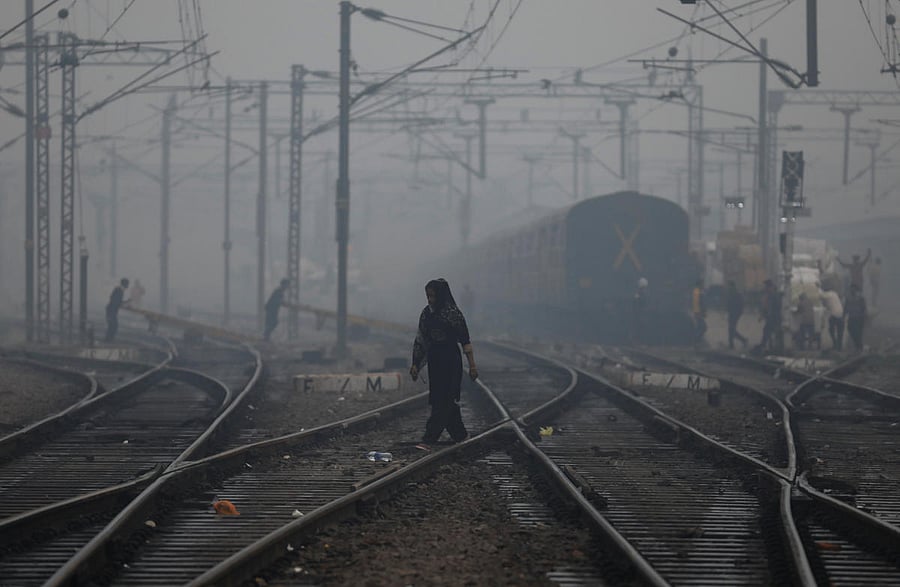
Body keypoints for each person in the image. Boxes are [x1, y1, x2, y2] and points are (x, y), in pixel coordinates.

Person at [410, 278, 477, 448]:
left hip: (451, 361)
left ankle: (429, 438)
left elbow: (465, 341)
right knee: (440, 398)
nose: (430, 300)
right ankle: (460, 435)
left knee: (445, 399)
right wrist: (415, 364)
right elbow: (421, 340)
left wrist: (472, 366)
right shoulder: (427, 314)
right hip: (435, 360)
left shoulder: (453, 314)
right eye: (428, 296)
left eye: (432, 296)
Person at [819, 283, 845, 351]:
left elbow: (821, 295)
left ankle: (836, 344)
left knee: (831, 330)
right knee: (840, 332)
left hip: (834, 315)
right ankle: (839, 346)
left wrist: (818, 287)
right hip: (841, 315)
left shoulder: (827, 295)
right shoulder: (834, 293)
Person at [758, 279, 781, 352]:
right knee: (769, 331)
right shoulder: (771, 295)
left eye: (766, 286)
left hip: (773, 317)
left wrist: (765, 315)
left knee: (768, 331)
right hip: (772, 317)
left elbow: (774, 307)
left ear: (770, 286)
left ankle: (765, 346)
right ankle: (768, 346)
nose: (765, 288)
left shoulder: (773, 295)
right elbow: (766, 307)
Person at [105, 278, 130, 342]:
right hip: (111, 310)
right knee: (113, 325)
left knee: (112, 325)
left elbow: (116, 300)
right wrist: (124, 303)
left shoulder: (119, 290)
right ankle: (108, 339)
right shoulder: (119, 290)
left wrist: (126, 302)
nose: (128, 286)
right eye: (127, 284)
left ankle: (109, 339)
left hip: (111, 310)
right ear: (125, 284)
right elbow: (115, 301)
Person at [725, 281, 748, 350]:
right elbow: (728, 304)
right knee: (731, 329)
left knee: (731, 329)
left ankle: (733, 344)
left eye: (730, 286)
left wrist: (738, 314)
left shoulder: (737, 294)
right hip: (731, 314)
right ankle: (740, 341)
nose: (729, 288)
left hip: (735, 314)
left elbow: (741, 305)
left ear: (733, 286)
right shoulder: (730, 293)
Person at [844, 284, 867, 352]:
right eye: (851, 289)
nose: (852, 290)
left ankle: (859, 347)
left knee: (858, 332)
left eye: (853, 289)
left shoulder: (860, 298)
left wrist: (864, 317)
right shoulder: (848, 298)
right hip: (852, 317)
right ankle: (858, 345)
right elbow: (845, 307)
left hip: (859, 317)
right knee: (850, 329)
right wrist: (843, 315)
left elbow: (864, 308)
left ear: (856, 290)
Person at [631, 277, 649, 345]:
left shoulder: (641, 293)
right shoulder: (638, 294)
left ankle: (640, 342)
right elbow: (636, 303)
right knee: (638, 328)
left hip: (641, 314)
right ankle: (637, 342)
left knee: (641, 328)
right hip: (639, 314)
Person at [690, 279, 707, 345]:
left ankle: (696, 341)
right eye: (702, 284)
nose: (703, 285)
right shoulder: (698, 292)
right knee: (703, 327)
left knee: (700, 327)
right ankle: (696, 341)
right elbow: (699, 303)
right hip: (698, 313)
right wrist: (701, 313)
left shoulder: (696, 291)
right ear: (699, 284)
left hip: (697, 312)